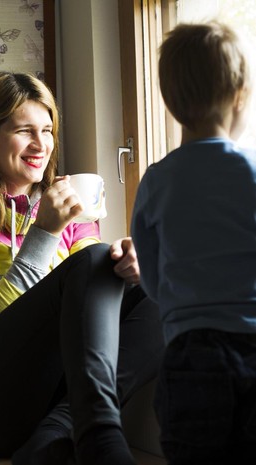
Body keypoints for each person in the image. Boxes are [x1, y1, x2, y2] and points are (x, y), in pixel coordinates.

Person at [0, 71, 163, 465]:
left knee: (161, 286)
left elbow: (95, 290)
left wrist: (129, 267)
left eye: (47, 130)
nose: (41, 145)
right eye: (24, 131)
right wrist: (46, 231)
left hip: (45, 397)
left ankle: (65, 427)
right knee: (94, 262)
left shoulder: (70, 207)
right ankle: (94, 430)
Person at [131, 21, 256, 465]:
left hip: (191, 355)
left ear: (169, 101)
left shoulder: (156, 181)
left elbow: (152, 279)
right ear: (240, 95)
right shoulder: (251, 172)